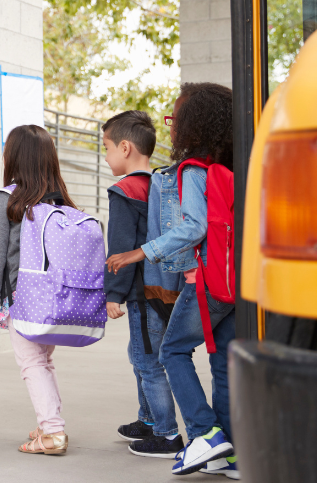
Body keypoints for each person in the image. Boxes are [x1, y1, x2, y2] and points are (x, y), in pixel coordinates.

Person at [107, 83, 237, 478]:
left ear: (193, 125)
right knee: (223, 362)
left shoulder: (193, 170)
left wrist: (139, 252)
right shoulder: (232, 168)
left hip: (206, 280)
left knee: (172, 352)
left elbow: (193, 227)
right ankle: (231, 453)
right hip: (235, 281)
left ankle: (204, 433)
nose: (172, 127)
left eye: (176, 119)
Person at [0, 124, 79, 455]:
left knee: (31, 364)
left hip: (25, 298)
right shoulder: (62, 201)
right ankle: (49, 423)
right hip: (58, 297)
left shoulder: (6, 200)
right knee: (43, 362)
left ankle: (53, 433)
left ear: (13, 158)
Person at [99, 111, 184, 459]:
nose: (105, 156)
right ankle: (147, 420)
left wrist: (112, 295)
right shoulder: (161, 185)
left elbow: (118, 247)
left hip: (140, 291)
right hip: (166, 287)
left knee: (149, 361)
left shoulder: (124, 190)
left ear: (125, 147)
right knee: (142, 355)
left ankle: (166, 434)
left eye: (105, 148)